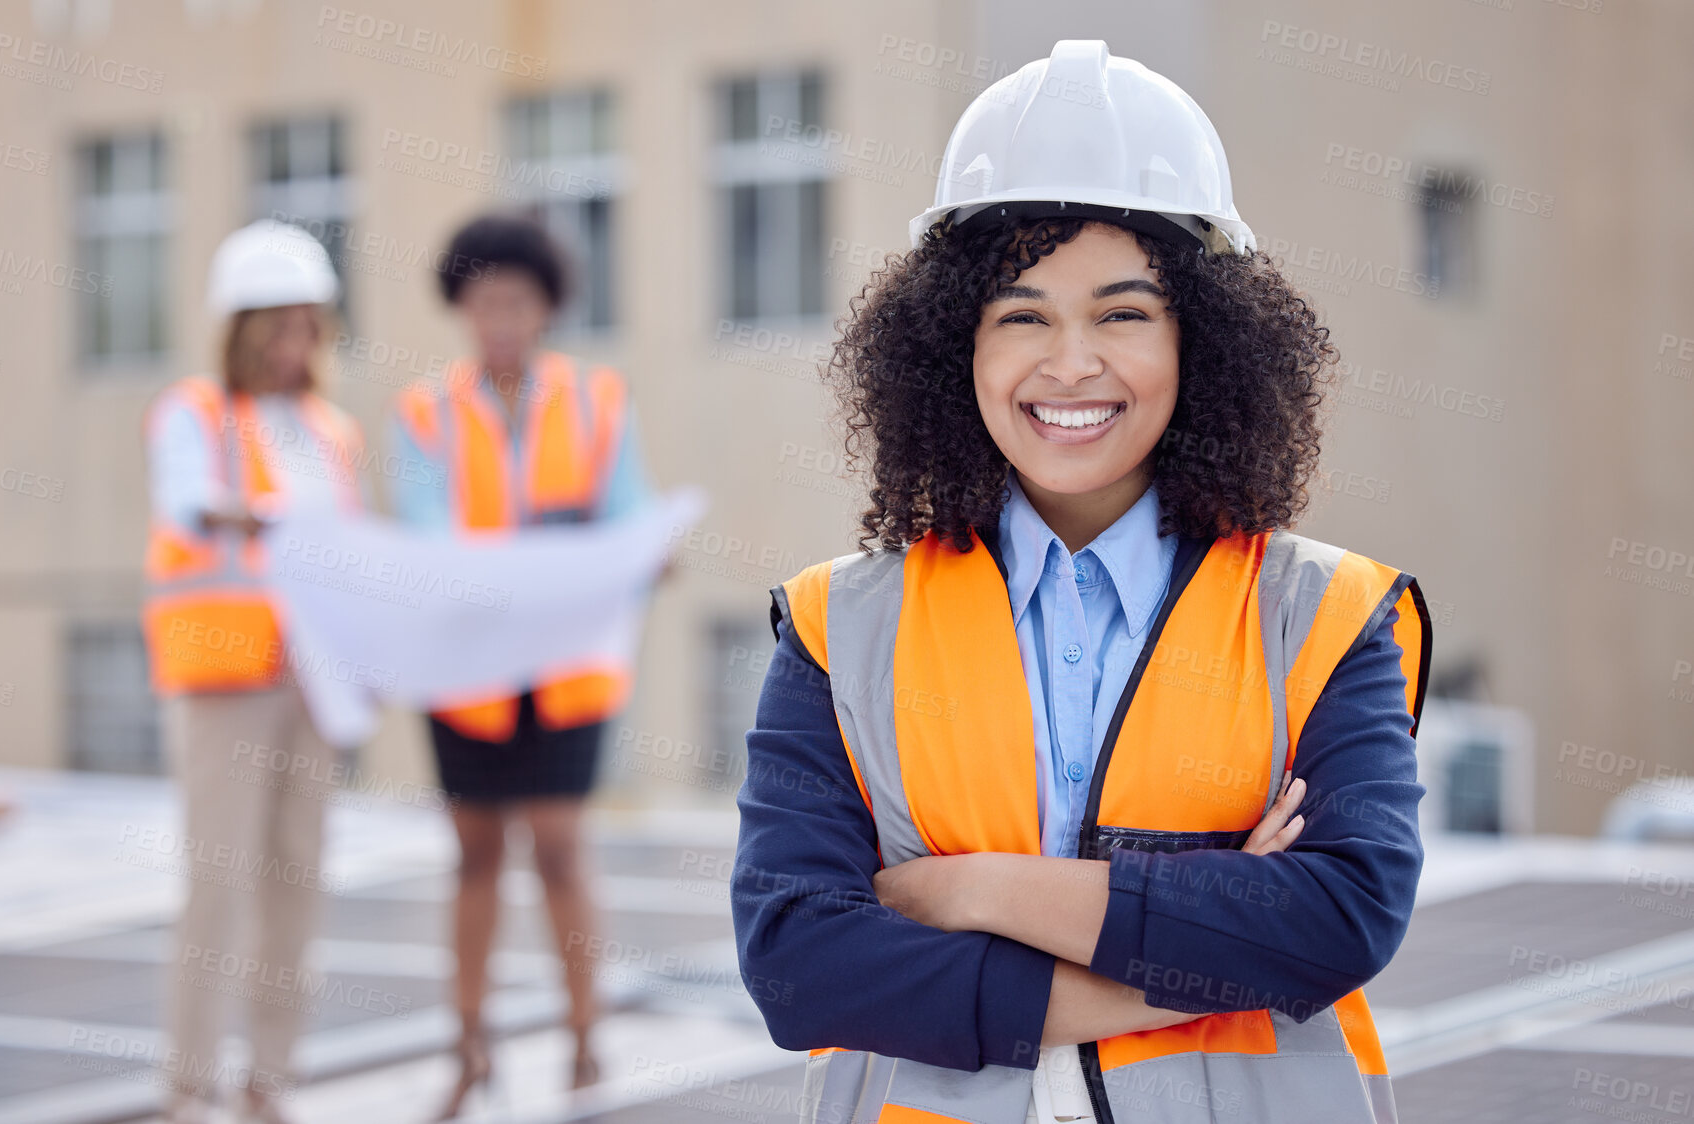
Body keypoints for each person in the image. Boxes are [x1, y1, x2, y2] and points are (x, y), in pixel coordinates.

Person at [732, 40, 1432, 1124]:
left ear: (1199, 339)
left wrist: (966, 889)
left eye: (1121, 313)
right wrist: (1205, 944)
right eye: (1020, 314)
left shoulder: (1321, 614)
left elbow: (1337, 921)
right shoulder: (839, 626)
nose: (1068, 365)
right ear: (950, 345)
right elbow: (797, 965)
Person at [388, 212, 657, 1118]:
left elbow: (628, 511)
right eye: (484, 301)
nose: (500, 317)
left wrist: (639, 553)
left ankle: (585, 1037)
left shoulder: (596, 400)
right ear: (461, 307)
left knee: (559, 849)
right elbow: (426, 534)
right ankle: (469, 1045)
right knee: (472, 855)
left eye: (517, 300)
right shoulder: (424, 411)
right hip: (466, 674)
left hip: (566, 670)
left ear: (545, 307)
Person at [143, 220, 364, 1124]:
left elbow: (354, 557)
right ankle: (189, 1088)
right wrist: (274, 520)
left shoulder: (331, 432)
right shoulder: (193, 413)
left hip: (315, 684)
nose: (293, 345)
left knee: (298, 879)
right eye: (276, 325)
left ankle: (270, 1081)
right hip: (228, 676)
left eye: (307, 325)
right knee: (220, 881)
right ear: (237, 329)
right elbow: (191, 504)